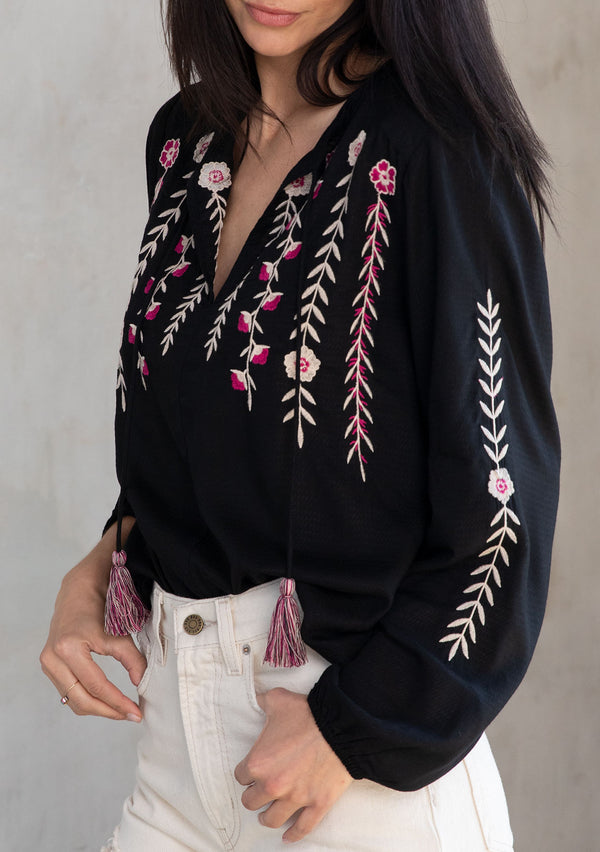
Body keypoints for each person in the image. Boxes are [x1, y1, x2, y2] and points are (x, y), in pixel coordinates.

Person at [40, 0, 560, 849]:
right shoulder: (185, 143)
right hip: (176, 753)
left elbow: (503, 513)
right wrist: (102, 568)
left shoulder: (442, 153)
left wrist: (354, 734)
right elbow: (201, 439)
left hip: (351, 774)